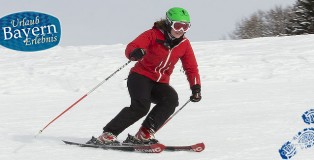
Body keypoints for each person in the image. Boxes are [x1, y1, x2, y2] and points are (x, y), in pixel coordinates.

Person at [89, 7, 201, 145]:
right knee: (141, 106)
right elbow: (132, 46)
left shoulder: (184, 44)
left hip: (160, 82)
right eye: (178, 25)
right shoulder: (153, 34)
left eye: (186, 27)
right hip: (140, 77)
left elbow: (191, 67)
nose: (181, 30)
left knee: (171, 99)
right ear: (168, 23)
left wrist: (196, 87)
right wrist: (135, 52)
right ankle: (108, 134)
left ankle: (144, 133)